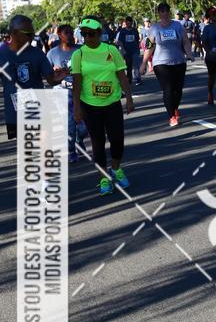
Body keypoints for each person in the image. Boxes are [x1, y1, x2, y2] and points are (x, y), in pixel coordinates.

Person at [71, 17, 133, 195]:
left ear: (100, 33)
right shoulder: (79, 55)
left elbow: (122, 76)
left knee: (117, 140)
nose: (87, 37)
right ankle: (104, 177)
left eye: (91, 33)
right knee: (97, 143)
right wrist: (76, 108)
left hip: (112, 103)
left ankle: (116, 169)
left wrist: (129, 98)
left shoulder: (111, 50)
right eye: (84, 34)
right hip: (90, 105)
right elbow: (77, 83)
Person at [0, 14, 56, 140]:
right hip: (15, 111)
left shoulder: (37, 53)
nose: (32, 37)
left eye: (32, 33)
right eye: (28, 33)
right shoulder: (2, 53)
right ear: (14, 33)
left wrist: (59, 76)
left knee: (44, 141)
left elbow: (51, 80)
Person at [142, 2, 192, 127]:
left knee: (178, 90)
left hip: (179, 61)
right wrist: (144, 63)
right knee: (168, 89)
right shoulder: (154, 28)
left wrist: (189, 54)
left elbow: (185, 41)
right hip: (161, 63)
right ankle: (172, 117)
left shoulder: (178, 26)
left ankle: (174, 108)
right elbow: (149, 47)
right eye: (161, 11)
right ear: (159, 13)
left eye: (166, 11)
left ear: (169, 12)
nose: (164, 13)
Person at [46, 24, 87, 162]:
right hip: (61, 92)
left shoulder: (81, 50)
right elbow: (48, 77)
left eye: (71, 32)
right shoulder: (52, 53)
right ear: (59, 34)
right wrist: (54, 72)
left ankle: (79, 140)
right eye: (66, 33)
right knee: (68, 124)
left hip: (81, 91)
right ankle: (71, 150)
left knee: (83, 127)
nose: (70, 35)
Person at [115, 16, 142, 87]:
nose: (129, 24)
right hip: (127, 51)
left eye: (130, 22)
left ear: (132, 23)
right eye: (127, 22)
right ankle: (129, 79)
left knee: (136, 65)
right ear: (126, 23)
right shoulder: (123, 31)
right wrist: (123, 49)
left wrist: (138, 49)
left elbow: (137, 39)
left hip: (135, 50)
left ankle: (138, 79)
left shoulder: (134, 30)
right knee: (129, 66)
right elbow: (120, 41)